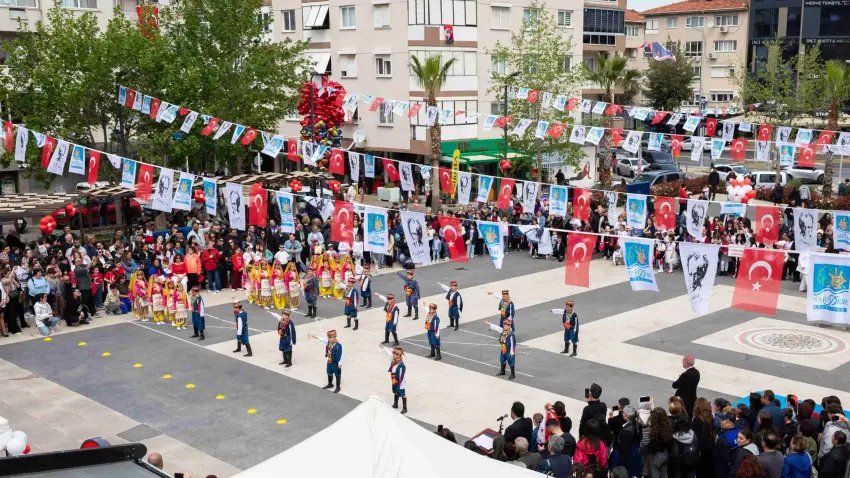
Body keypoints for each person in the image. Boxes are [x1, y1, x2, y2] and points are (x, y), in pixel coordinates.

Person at [312, 329, 342, 394]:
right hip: (329, 361)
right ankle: (330, 384)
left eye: (330, 338)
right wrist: (316, 337)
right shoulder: (328, 342)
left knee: (337, 374)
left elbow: (341, 355)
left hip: (335, 362)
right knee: (329, 372)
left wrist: (340, 363)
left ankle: (338, 387)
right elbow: (322, 339)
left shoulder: (338, 346)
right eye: (328, 338)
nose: (329, 339)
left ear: (334, 337)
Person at [381, 345, 407, 414]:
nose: (393, 355)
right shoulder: (394, 360)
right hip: (394, 378)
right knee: (395, 391)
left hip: (399, 381)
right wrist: (384, 347)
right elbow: (389, 353)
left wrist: (400, 383)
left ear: (398, 355)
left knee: (402, 393)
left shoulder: (401, 365)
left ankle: (405, 408)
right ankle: (395, 404)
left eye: (394, 354)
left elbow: (401, 375)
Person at [673, 354, 701, 419]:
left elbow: (675, 385)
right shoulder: (697, 373)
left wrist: (680, 378)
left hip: (683, 400)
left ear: (686, 363)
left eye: (683, 361)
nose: (682, 363)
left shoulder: (685, 375)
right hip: (692, 398)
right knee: (690, 416)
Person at [714, 412, 739, 478]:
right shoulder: (741, 432)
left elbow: (721, 460)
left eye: (722, 420)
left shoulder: (724, 439)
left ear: (729, 423)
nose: (720, 421)